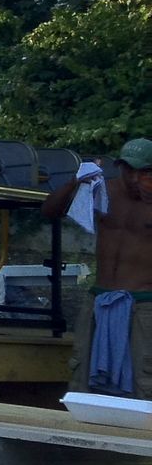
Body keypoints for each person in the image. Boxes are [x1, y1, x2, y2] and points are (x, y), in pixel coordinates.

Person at [43, 138, 152, 396]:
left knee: (145, 380)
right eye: (130, 170)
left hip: (145, 303)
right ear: (120, 167)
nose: (135, 178)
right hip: (99, 299)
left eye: (144, 172)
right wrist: (76, 181)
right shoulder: (103, 190)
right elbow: (50, 211)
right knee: (83, 375)